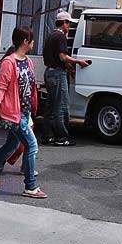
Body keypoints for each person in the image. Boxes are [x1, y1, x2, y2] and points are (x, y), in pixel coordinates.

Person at [0, 27, 46, 199]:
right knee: (32, 145)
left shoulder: (28, 61)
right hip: (13, 115)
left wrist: (33, 106)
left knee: (11, 145)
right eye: (31, 40)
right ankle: (30, 186)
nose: (33, 43)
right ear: (25, 42)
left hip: (24, 113)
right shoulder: (8, 63)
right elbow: (0, 91)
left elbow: (31, 87)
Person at [41, 11, 90, 146]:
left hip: (49, 73)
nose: (69, 27)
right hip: (57, 74)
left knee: (50, 106)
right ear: (64, 23)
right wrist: (78, 61)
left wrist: (69, 68)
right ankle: (61, 137)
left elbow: (56, 58)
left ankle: (47, 136)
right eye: (68, 24)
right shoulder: (61, 36)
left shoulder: (50, 36)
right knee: (61, 106)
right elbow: (62, 57)